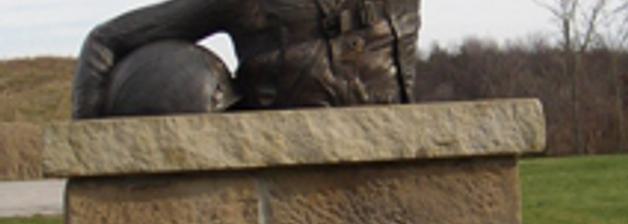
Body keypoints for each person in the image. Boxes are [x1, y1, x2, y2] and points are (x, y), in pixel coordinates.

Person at [72, 0, 420, 119]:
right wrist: (92, 156)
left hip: (384, 160)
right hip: (275, 168)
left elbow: (104, 39)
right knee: (179, 81)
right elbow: (105, 40)